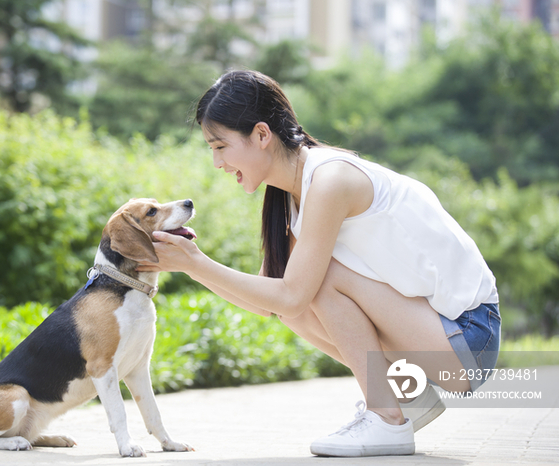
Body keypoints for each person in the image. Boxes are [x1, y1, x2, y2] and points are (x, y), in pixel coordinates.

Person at [137, 70, 501, 457]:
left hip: (470, 338)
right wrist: (191, 266)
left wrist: (197, 262)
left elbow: (294, 294)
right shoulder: (289, 198)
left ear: (262, 135)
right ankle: (404, 398)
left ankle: (386, 418)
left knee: (311, 281)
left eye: (220, 146)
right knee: (291, 297)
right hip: (433, 335)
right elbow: (269, 304)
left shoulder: (330, 179)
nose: (216, 162)